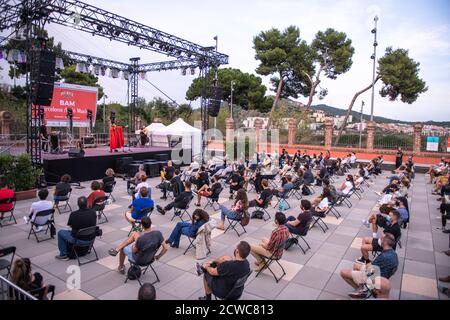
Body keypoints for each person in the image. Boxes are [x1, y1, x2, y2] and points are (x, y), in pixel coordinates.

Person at [340, 232, 398, 299]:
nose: (379, 239)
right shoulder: (393, 254)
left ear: (384, 242)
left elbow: (369, 269)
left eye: (381, 238)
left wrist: (366, 265)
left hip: (373, 278)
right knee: (356, 265)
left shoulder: (384, 256)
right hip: (381, 275)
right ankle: (362, 288)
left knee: (343, 272)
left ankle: (363, 291)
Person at [55, 196, 97, 260]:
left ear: (78, 205)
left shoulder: (73, 214)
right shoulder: (93, 212)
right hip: (91, 238)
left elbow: (70, 226)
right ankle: (88, 249)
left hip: (78, 240)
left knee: (61, 232)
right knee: (88, 229)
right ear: (87, 203)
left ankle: (63, 255)